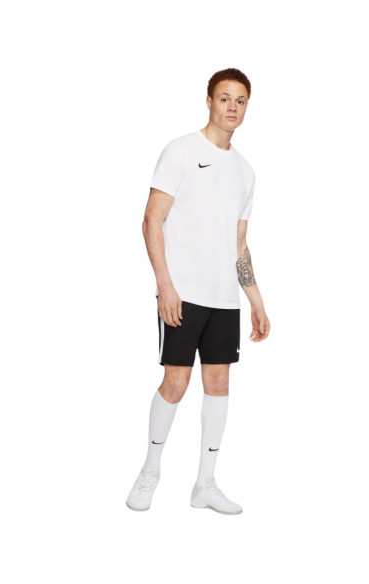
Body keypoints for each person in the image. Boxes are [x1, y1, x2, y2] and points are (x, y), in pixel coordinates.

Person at [126, 67, 270, 515]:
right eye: (225, 98)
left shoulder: (245, 171)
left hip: (224, 298)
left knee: (219, 383)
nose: (232, 107)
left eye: (240, 100)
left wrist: (256, 301)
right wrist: (164, 286)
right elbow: (151, 220)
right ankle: (150, 470)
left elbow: (239, 243)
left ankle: (205, 484)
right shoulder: (182, 151)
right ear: (209, 101)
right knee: (176, 382)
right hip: (182, 292)